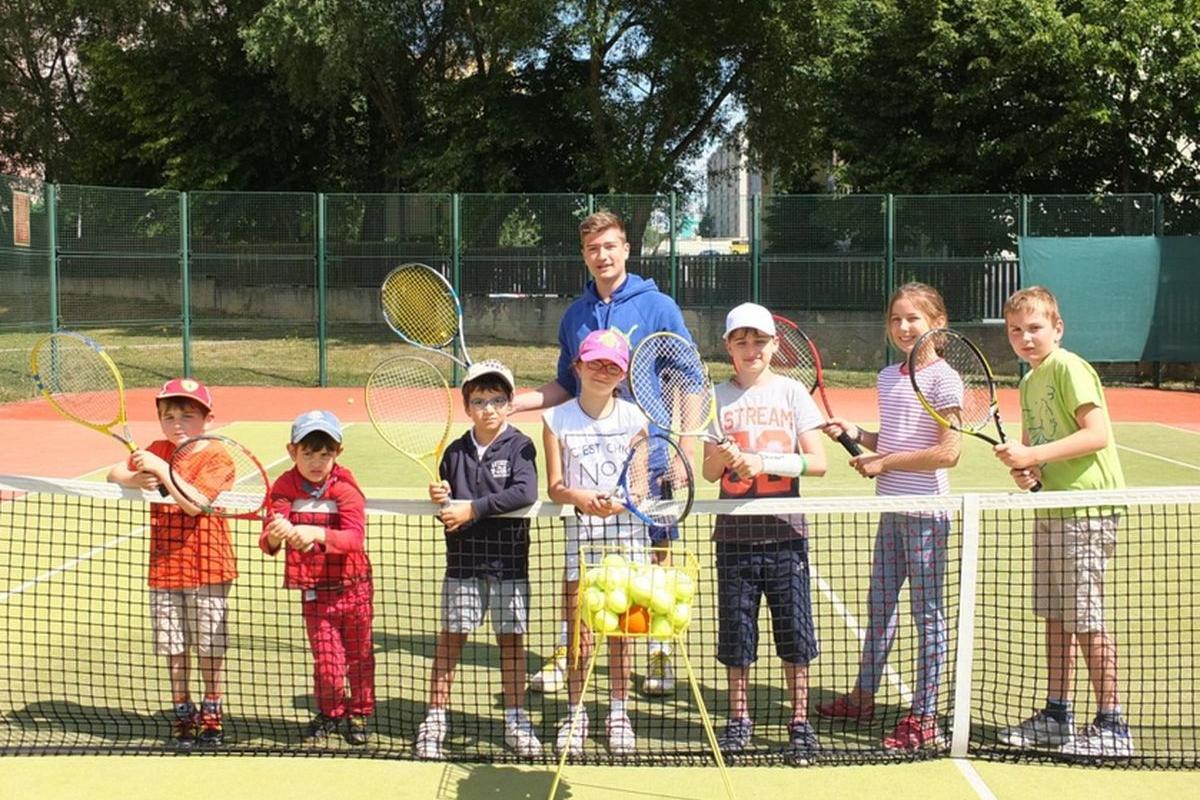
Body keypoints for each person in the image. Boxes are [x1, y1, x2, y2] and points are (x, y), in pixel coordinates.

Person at [514, 210, 693, 697]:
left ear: (627, 248)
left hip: (650, 459)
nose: (603, 255)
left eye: (611, 245)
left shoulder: (658, 306)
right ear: (585, 254)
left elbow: (688, 378)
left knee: (654, 562)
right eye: (594, 248)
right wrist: (519, 401)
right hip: (590, 464)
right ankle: (568, 646)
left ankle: (657, 652)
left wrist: (684, 449)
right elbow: (564, 384)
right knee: (582, 564)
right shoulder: (576, 315)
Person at [815, 283, 961, 751]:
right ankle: (863, 697)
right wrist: (857, 433)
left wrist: (884, 464)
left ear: (937, 325)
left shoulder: (944, 380)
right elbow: (894, 438)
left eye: (913, 319)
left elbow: (947, 453)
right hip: (889, 510)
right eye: (896, 319)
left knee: (927, 616)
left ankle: (924, 717)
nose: (903, 327)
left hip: (926, 513)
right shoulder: (887, 376)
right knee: (879, 609)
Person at [992, 286, 1132, 758]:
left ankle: (1113, 724)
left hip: (1087, 511)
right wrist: (1027, 469)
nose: (1025, 338)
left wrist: (1033, 453)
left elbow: (1097, 435)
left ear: (1057, 328)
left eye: (1034, 328)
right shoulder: (1029, 382)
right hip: (1050, 510)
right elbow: (1037, 453)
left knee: (1086, 619)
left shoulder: (1069, 367)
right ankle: (1057, 714)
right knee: (1056, 617)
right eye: (1016, 330)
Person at [701, 303, 828, 761]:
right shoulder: (715, 397)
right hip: (733, 537)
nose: (750, 348)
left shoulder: (792, 393)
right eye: (741, 341)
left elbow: (819, 462)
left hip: (785, 535)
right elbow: (709, 470)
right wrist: (727, 457)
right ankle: (739, 718)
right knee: (736, 636)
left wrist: (764, 461)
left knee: (795, 634)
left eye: (759, 340)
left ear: (775, 344)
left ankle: (800, 721)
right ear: (728, 347)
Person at [413, 360, 541, 759]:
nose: (488, 408)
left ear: (509, 404)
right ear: (467, 406)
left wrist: (472, 510)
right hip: (464, 567)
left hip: (508, 567)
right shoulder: (453, 452)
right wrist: (445, 501)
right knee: (450, 643)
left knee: (512, 644)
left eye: (497, 400)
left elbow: (525, 492)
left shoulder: (521, 445)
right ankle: (434, 720)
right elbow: (449, 510)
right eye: (480, 400)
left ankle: (516, 720)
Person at [105, 377, 237, 751]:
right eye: (169, 414)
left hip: (208, 568)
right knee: (174, 649)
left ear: (208, 419)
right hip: (165, 570)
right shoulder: (157, 448)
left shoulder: (217, 456)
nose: (177, 422)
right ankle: (183, 713)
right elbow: (113, 473)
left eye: (188, 414)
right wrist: (135, 476)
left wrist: (161, 471)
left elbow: (195, 503)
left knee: (210, 647)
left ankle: (212, 711)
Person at [542, 328, 650, 755]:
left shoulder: (636, 420)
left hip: (628, 544)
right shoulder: (555, 420)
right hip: (581, 547)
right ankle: (576, 710)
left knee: (623, 633)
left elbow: (639, 488)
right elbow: (554, 486)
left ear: (622, 374)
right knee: (579, 635)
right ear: (578, 366)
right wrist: (581, 498)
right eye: (595, 363)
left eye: (613, 365)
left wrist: (623, 503)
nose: (603, 371)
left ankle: (619, 711)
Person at [261, 410, 374, 746]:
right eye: (308, 452)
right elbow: (268, 539)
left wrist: (315, 532)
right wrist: (278, 534)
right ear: (292, 450)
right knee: (327, 661)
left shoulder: (346, 488)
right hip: (315, 594)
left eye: (325, 453)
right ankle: (330, 712)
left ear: (337, 453)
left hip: (355, 590)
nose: (316, 461)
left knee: (359, 657)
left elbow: (354, 539)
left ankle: (360, 713)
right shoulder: (282, 487)